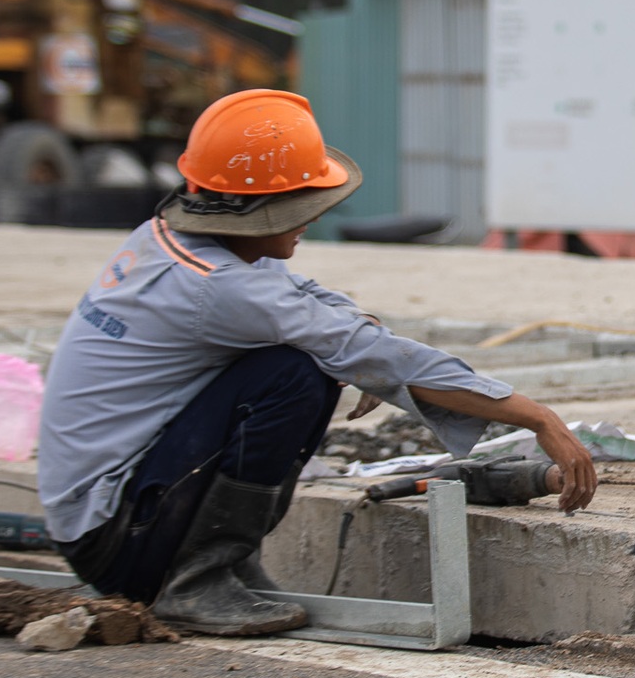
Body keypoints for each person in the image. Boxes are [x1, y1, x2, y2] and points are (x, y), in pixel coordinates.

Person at [37, 89, 597, 635]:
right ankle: (194, 580)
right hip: (114, 537)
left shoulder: (172, 239)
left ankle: (223, 564)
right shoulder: (220, 288)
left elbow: (310, 299)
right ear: (256, 211)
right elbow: (344, 340)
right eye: (300, 205)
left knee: (310, 357)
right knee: (295, 376)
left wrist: (362, 338)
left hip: (100, 516)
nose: (309, 219)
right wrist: (535, 417)